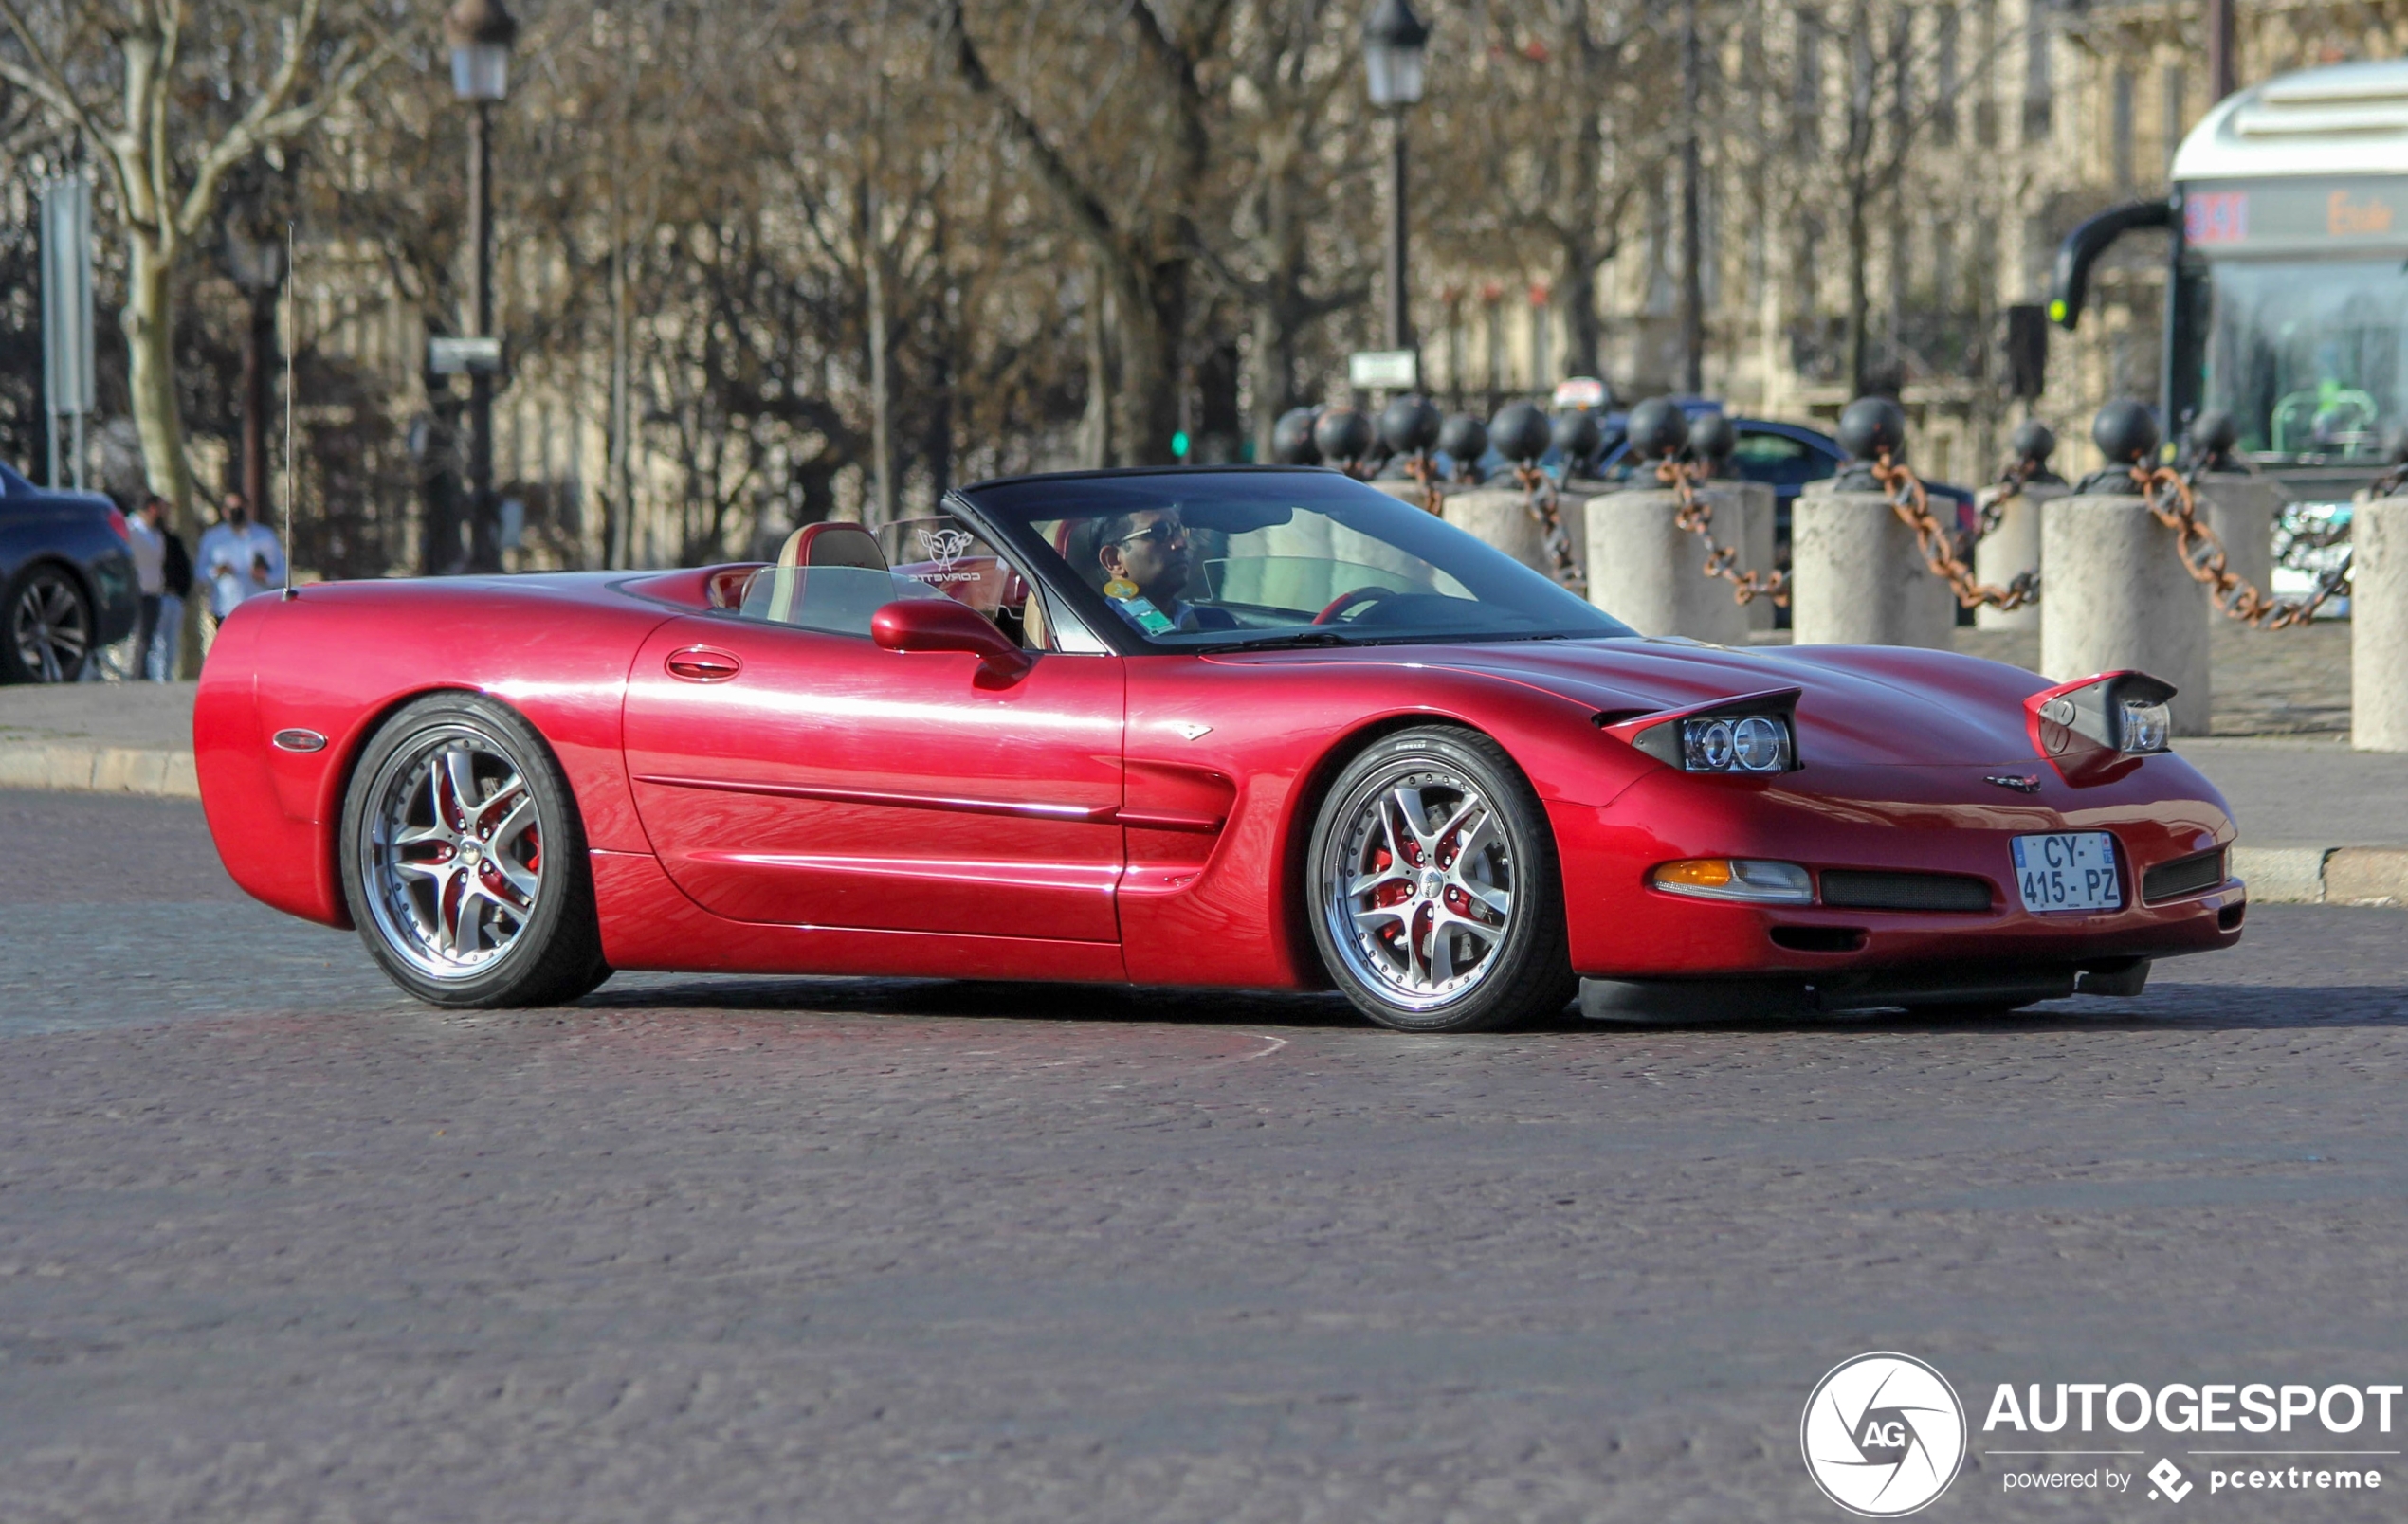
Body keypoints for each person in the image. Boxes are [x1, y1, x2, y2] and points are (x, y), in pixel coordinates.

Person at [1091, 506, 1231, 635]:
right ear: (1114, 560)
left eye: (1179, 530)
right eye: (1160, 532)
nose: (1181, 543)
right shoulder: (1104, 632)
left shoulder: (1216, 622)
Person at [194, 492, 283, 627]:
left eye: (240, 509)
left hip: (258, 607)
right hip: (225, 608)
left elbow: (282, 573)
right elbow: (200, 573)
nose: (236, 513)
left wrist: (265, 577)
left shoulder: (265, 536)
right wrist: (216, 571)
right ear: (224, 511)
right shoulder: (213, 539)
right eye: (232, 510)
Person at [124, 494, 165, 673]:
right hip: (136, 590)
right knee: (137, 636)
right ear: (152, 508)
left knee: (148, 637)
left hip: (153, 590)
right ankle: (134, 672)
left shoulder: (155, 533)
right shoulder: (131, 529)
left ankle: (142, 671)